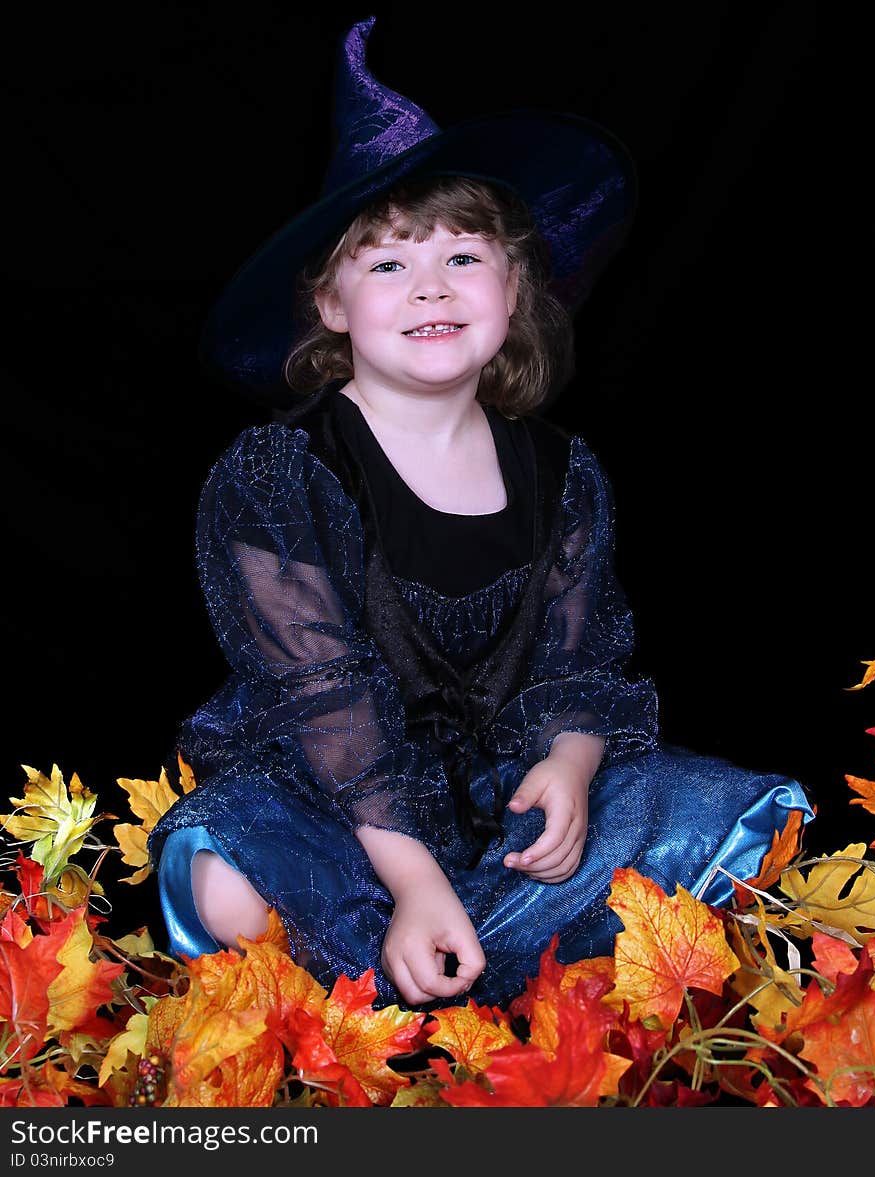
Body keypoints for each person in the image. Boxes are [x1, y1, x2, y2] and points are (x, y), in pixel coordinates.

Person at [149, 17, 814, 1011]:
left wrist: (572, 767)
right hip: (340, 794)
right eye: (386, 265)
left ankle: (464, 949)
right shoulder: (277, 474)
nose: (429, 286)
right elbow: (324, 696)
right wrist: (413, 878)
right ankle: (453, 940)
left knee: (730, 819)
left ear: (515, 288)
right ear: (328, 304)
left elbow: (582, 659)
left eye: (463, 258)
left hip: (504, 783)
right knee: (228, 879)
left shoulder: (562, 469)